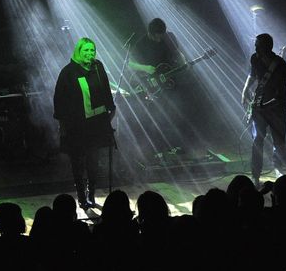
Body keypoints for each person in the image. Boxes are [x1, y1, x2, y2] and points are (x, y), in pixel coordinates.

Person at [54, 37, 116, 210]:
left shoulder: (98, 67)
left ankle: (91, 193)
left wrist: (111, 108)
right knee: (78, 162)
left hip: (96, 125)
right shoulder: (68, 72)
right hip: (76, 126)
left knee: (93, 162)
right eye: (86, 50)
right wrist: (62, 124)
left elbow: (105, 88)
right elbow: (59, 99)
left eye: (92, 50)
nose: (90, 53)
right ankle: (81, 196)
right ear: (78, 52)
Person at [126, 18, 190, 158]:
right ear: (150, 33)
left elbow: (177, 53)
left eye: (162, 35)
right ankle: (159, 149)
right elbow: (129, 64)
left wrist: (184, 61)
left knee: (174, 112)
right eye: (157, 36)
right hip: (153, 85)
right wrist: (146, 68)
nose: (160, 39)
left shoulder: (168, 38)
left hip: (169, 81)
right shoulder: (141, 43)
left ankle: (175, 146)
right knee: (158, 116)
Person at [241, 33, 286, 186]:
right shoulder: (255, 59)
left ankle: (283, 176)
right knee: (257, 141)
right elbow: (252, 75)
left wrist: (263, 106)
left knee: (279, 143)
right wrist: (245, 90)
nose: (255, 48)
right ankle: (256, 176)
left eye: (258, 46)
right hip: (260, 107)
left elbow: (280, 95)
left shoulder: (281, 66)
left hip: (277, 109)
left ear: (267, 47)